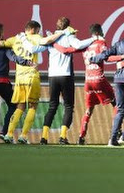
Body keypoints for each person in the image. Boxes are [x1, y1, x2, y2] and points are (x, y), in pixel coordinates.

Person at [1, 22, 69, 144]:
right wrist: (61, 33)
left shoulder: (14, 39)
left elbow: (0, 44)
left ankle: (9, 134)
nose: (39, 33)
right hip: (32, 76)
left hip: (19, 78)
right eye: (38, 30)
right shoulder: (36, 37)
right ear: (33, 30)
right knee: (33, 106)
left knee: (20, 107)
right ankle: (23, 136)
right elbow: (47, 41)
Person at [39, 17, 94, 145]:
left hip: (52, 75)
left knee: (52, 106)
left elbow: (41, 45)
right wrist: (93, 39)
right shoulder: (68, 36)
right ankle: (62, 137)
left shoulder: (51, 37)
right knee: (68, 106)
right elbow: (79, 45)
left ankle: (44, 137)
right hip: (66, 75)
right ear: (68, 26)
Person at [0, 23, 34, 144]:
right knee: (13, 105)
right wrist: (26, 62)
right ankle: (4, 132)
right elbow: (13, 57)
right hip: (3, 81)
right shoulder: (5, 46)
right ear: (2, 33)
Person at [78, 24, 115, 145]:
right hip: (99, 79)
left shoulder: (86, 45)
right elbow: (106, 57)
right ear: (99, 32)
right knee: (117, 104)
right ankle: (115, 134)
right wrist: (121, 58)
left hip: (88, 80)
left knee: (89, 109)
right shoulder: (101, 43)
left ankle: (81, 136)